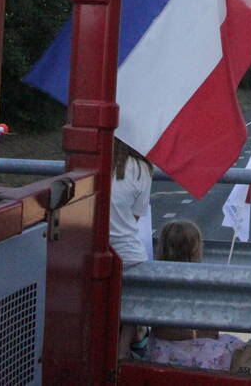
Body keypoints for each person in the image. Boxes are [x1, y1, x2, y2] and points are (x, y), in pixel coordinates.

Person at [145, 220, 244, 369]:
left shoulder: (155, 278)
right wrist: (195, 335)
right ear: (195, 248)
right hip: (189, 352)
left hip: (159, 351)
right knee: (237, 349)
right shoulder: (201, 280)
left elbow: (159, 329)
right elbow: (212, 331)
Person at [112, 140, 153, 359]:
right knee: (132, 307)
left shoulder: (92, 163)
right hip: (128, 255)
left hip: (90, 252)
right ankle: (122, 353)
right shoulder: (141, 168)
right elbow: (135, 217)